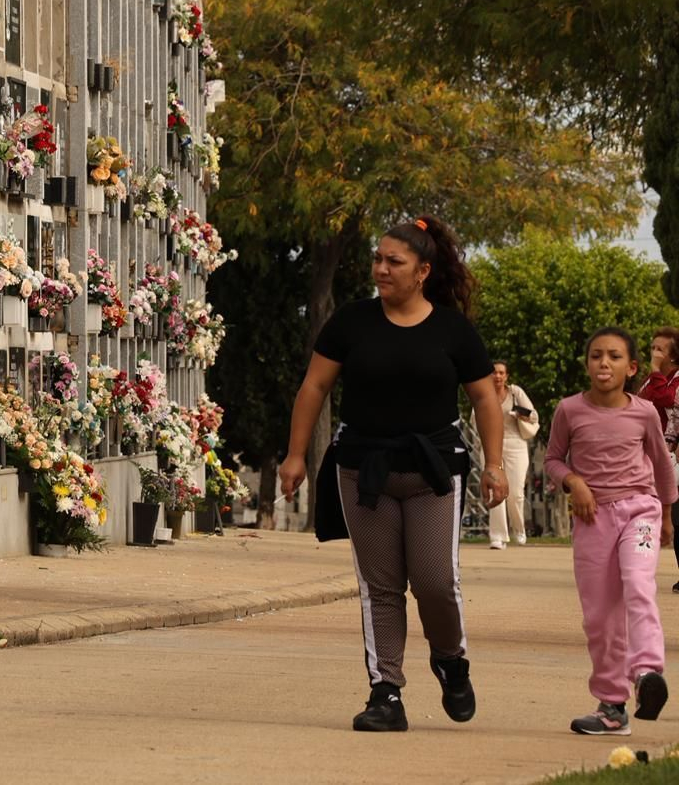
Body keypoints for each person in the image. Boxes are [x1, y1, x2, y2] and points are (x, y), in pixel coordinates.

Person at [279, 215, 506, 733]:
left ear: (422, 271)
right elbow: (314, 388)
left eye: (393, 261)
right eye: (378, 259)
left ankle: (450, 660)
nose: (381, 269)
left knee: (434, 580)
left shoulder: (452, 329)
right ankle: (386, 693)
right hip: (364, 469)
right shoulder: (351, 323)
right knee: (380, 587)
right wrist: (295, 455)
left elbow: (483, 398)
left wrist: (494, 465)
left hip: (432, 470)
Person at [545, 327, 676, 735]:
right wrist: (574, 482)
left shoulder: (644, 413)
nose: (604, 363)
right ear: (587, 365)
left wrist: (668, 517)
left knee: (638, 585)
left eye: (615, 357)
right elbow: (552, 460)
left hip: (640, 512)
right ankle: (612, 707)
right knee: (600, 616)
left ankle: (647, 674)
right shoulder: (569, 410)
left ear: (631, 367)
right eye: (597, 356)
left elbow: (661, 465)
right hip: (591, 519)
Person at [634, 327, 679, 588]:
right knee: (643, 515)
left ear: (673, 356)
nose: (654, 353)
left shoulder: (669, 381)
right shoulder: (651, 380)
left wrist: (654, 371)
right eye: (653, 347)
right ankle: (638, 567)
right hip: (647, 458)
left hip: (672, 457)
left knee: (676, 519)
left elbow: (666, 399)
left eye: (659, 349)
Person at [487, 361, 539, 549]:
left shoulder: (515, 393)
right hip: (492, 446)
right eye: (494, 373)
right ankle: (498, 536)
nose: (498, 376)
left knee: (515, 493)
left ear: (506, 376)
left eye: (501, 373)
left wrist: (519, 415)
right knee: (495, 490)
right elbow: (476, 419)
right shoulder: (484, 393)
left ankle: (519, 530)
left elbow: (534, 416)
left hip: (516, 444)